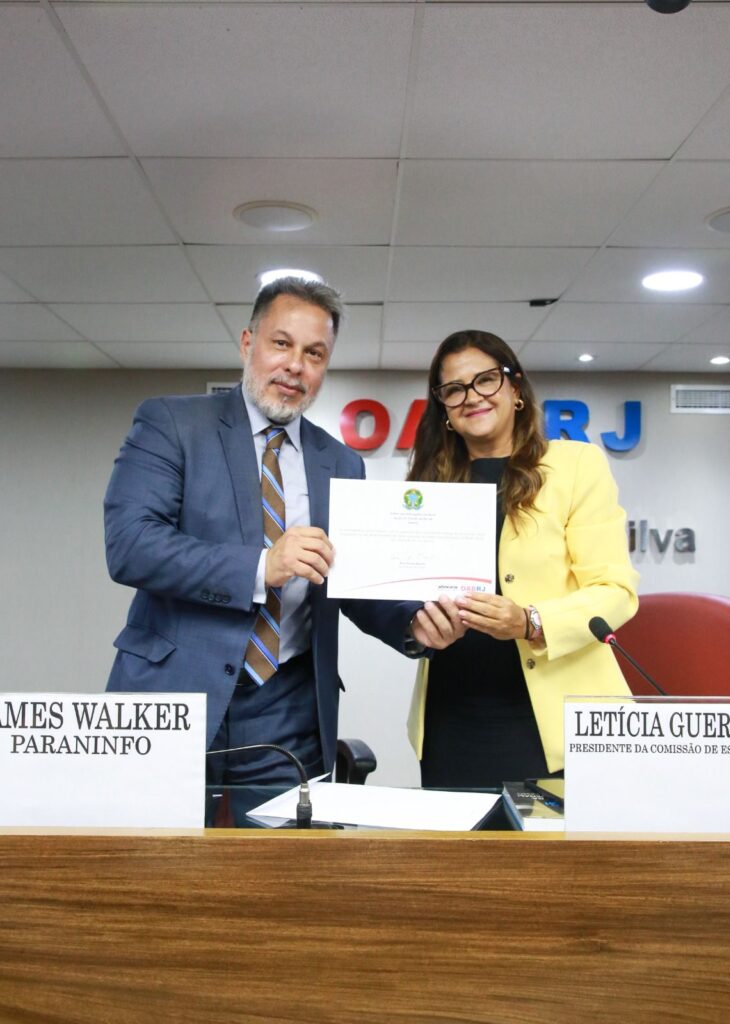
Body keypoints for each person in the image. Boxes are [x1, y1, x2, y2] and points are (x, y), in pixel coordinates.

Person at [104, 277, 463, 787]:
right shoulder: (172, 423)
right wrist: (261, 565)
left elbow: (348, 580)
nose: (296, 365)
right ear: (248, 342)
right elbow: (131, 545)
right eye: (281, 343)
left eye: (314, 353)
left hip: (287, 709)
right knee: (155, 840)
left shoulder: (341, 461)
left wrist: (412, 623)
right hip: (173, 692)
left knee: (282, 844)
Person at [406, 329, 639, 789]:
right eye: (454, 389)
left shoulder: (576, 465)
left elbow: (615, 592)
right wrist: (411, 622)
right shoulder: (428, 485)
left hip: (556, 719)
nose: (472, 397)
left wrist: (530, 621)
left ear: (515, 388)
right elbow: (405, 595)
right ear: (444, 408)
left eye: (485, 380)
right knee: (457, 839)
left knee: (557, 842)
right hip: (452, 716)